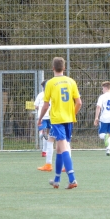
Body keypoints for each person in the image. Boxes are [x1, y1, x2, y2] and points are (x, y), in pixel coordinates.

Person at [37, 57, 82, 189]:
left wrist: (40, 119)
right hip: (69, 119)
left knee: (63, 146)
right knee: (59, 149)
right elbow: (79, 102)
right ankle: (56, 180)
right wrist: (72, 114)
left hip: (57, 120)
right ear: (64, 68)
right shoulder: (71, 81)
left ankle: (72, 179)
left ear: (52, 68)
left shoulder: (50, 83)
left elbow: (45, 106)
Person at [94, 81, 110, 156]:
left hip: (104, 118)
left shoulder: (102, 96)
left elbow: (98, 107)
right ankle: (108, 150)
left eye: (102, 88)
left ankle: (105, 137)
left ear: (105, 88)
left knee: (102, 134)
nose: (102, 90)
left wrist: (96, 117)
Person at [34, 80, 51, 157]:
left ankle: (41, 132)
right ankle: (44, 151)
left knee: (43, 132)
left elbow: (36, 106)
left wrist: (39, 108)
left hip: (42, 116)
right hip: (51, 117)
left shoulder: (40, 95)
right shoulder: (52, 95)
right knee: (48, 135)